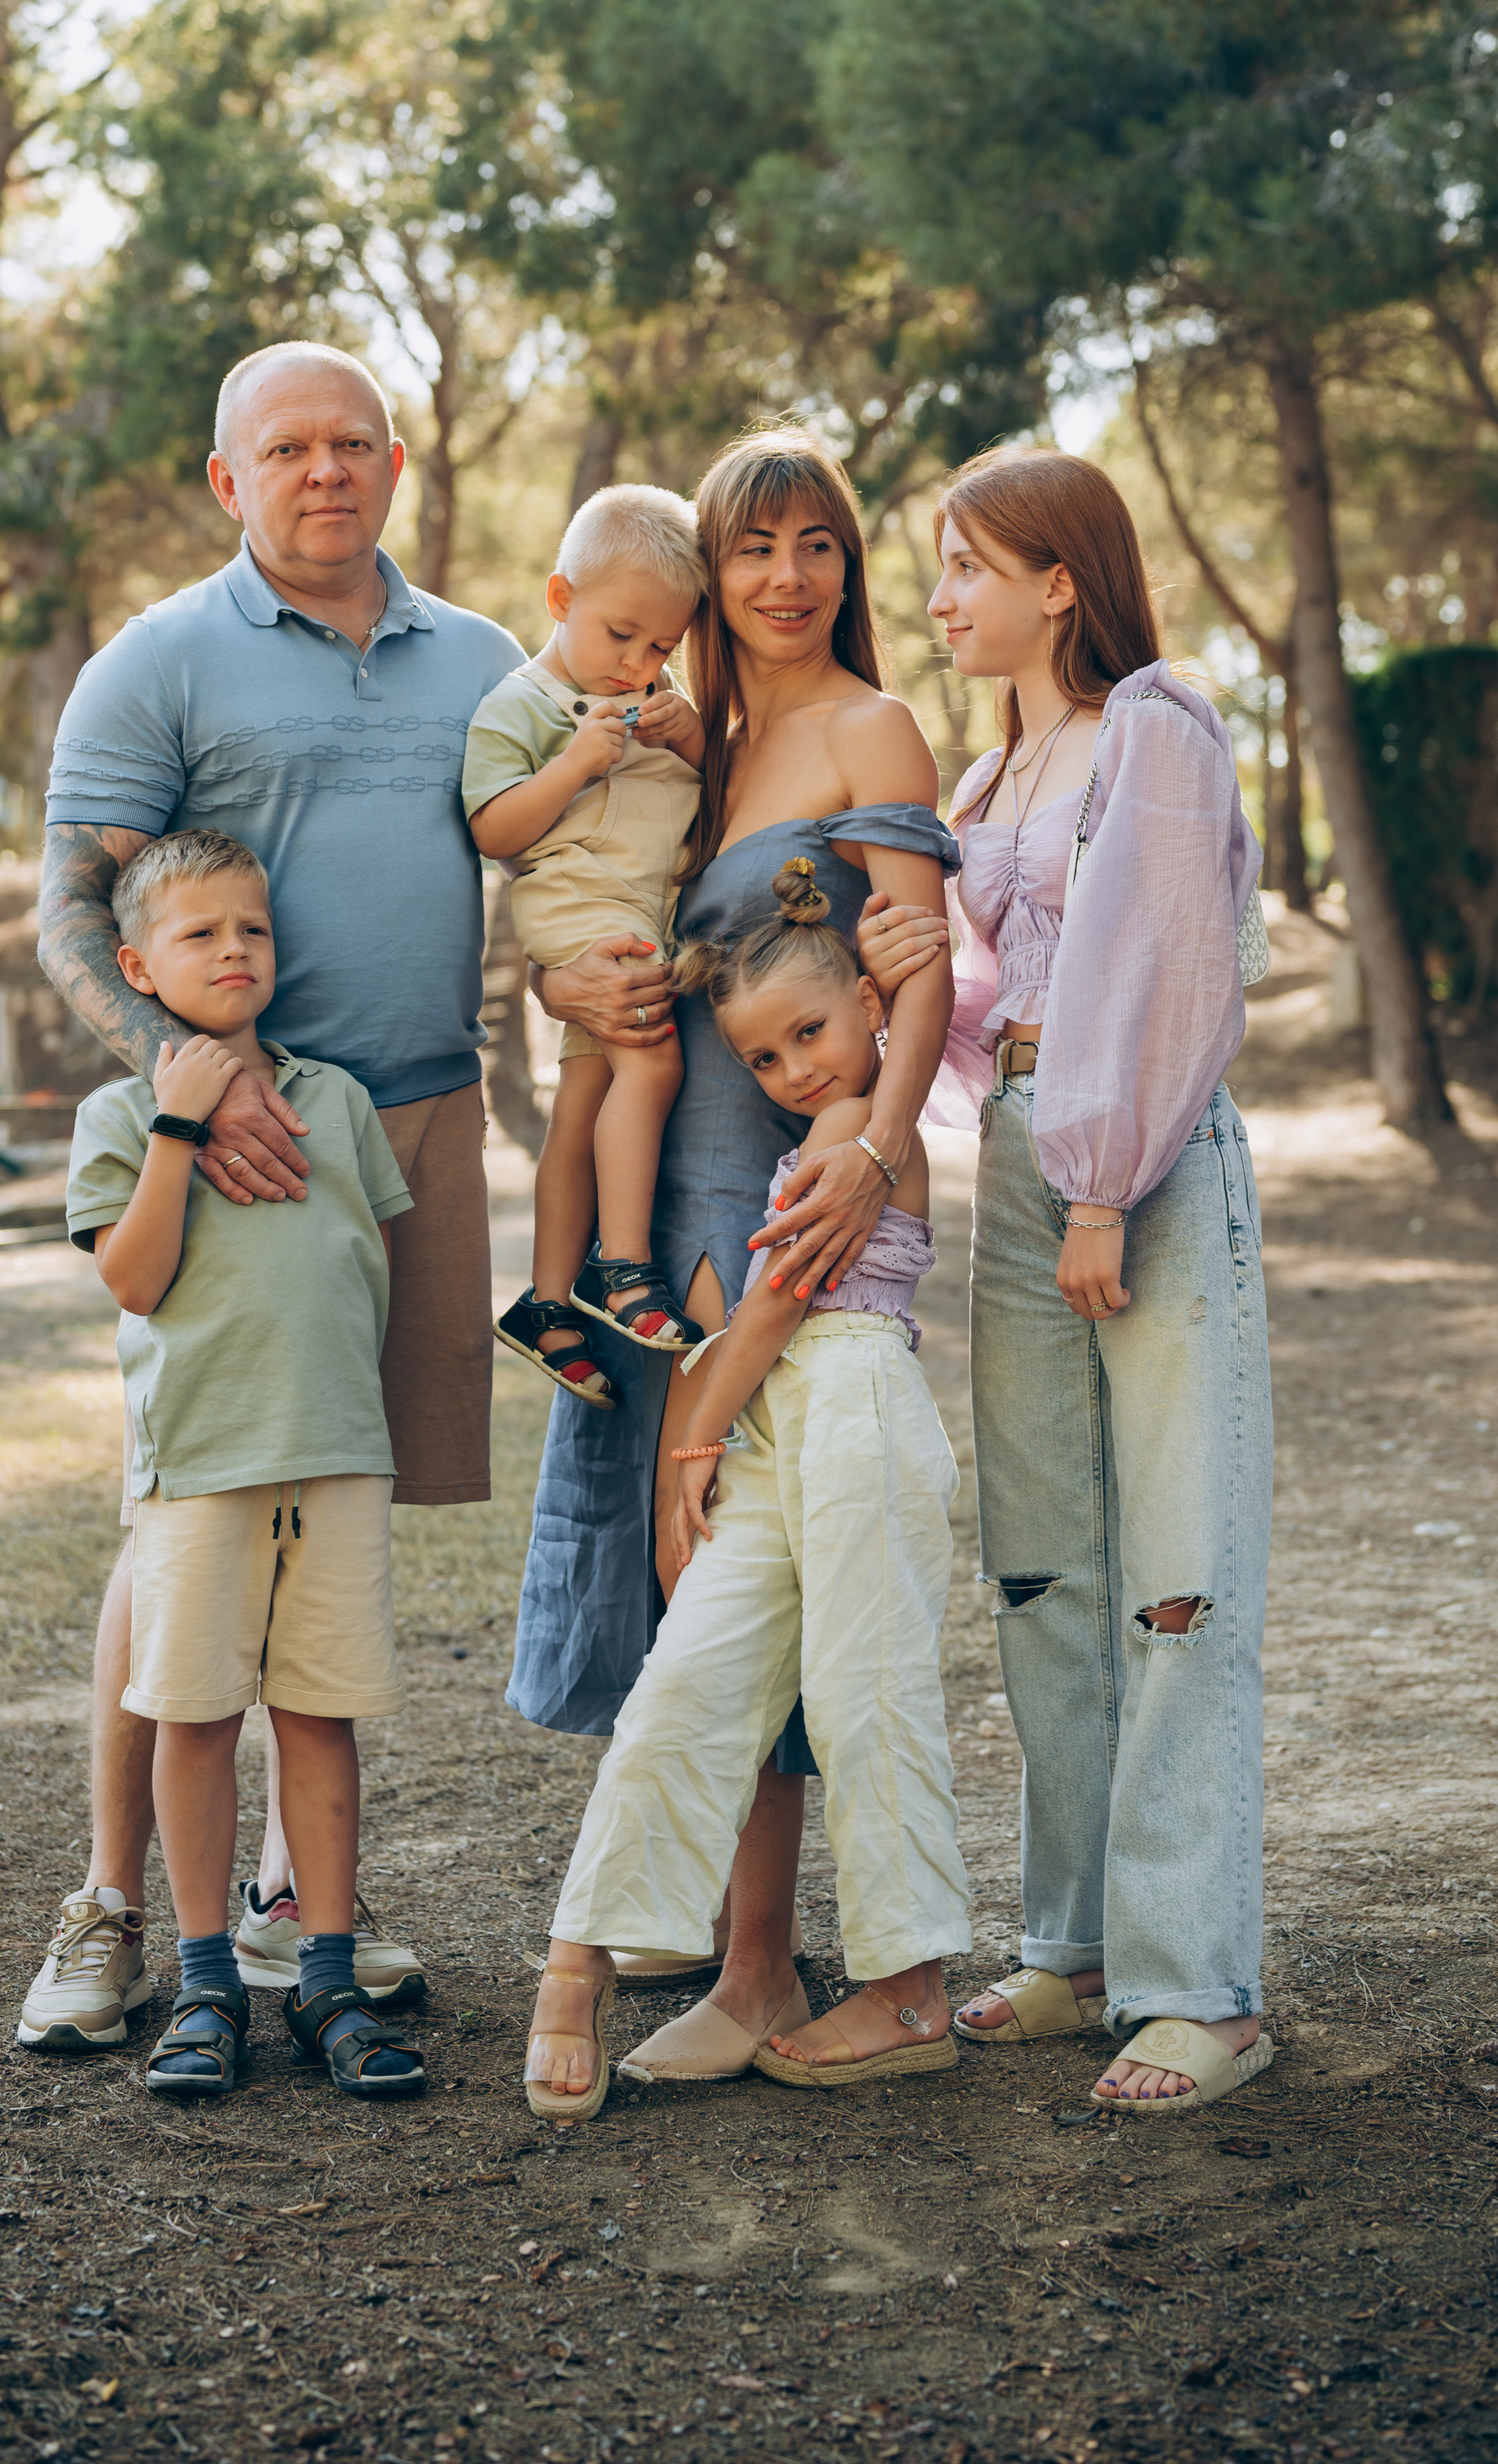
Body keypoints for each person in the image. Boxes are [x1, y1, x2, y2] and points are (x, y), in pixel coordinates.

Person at [17, 340, 523, 2054]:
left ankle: (292, 1905)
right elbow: (71, 915)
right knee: (182, 1528)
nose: (325, 470)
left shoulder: (484, 660)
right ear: (227, 479)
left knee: (337, 1506)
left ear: (394, 463)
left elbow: (558, 843)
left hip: (414, 1128)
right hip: (229, 1146)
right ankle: (107, 1910)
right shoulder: (154, 661)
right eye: (287, 448)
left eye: (352, 443)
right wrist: (202, 1076)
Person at [506, 428, 959, 2062]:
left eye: (817, 543)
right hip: (656, 1204)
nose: (787, 576)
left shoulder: (866, 727)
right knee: (690, 1580)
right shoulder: (683, 745)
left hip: (788, 1193)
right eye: (755, 547)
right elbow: (580, 900)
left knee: (748, 1565)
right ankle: (717, 1944)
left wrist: (878, 1154)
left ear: (849, 564)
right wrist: (557, 980)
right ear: (709, 572)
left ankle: (762, 1961)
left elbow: (919, 974)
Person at [858, 442, 1273, 2115]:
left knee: (1176, 1571)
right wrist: (909, 969)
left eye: (968, 565)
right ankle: (1077, 1942)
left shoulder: (1156, 730)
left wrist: (1101, 1188)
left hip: (1141, 1166)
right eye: (939, 565)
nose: (939, 597)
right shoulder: (984, 777)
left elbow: (1166, 970)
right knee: (1042, 1570)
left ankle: (1202, 1992)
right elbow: (996, 1016)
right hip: (1022, 1157)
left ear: (1058, 581)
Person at [522, 862, 969, 2120]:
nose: (793, 1072)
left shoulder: (863, 1130)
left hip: (854, 1408)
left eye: (810, 1034)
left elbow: (778, 1304)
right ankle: (577, 1964)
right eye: (764, 1058)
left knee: (869, 1692)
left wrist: (693, 1444)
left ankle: (911, 1991)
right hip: (781, 1420)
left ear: (873, 1010)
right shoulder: (818, 1127)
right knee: (688, 1678)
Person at [65, 829, 424, 2100]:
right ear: (137, 967)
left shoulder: (339, 1103)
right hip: (204, 1463)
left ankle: (323, 1973)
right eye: (202, 933)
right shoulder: (118, 1115)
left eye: (253, 929)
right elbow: (135, 1278)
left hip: (336, 1456)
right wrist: (178, 1123)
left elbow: (370, 1268)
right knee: (198, 1715)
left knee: (320, 1714)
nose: (235, 950)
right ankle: (207, 1977)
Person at [467, 486, 709, 1398]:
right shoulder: (518, 707)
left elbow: (714, 801)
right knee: (653, 1059)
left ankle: (546, 1300)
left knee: (582, 1102)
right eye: (621, 636)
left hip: (642, 909)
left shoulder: (657, 699)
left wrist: (695, 742)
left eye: (662, 648)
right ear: (560, 599)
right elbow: (492, 828)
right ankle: (624, 1267)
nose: (639, 665)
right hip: (577, 903)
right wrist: (572, 764)